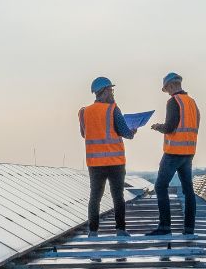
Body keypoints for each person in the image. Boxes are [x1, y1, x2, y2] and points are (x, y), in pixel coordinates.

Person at [79, 76, 136, 236]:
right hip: (114, 162)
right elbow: (126, 133)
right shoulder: (113, 109)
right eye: (110, 90)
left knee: (94, 197)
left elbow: (84, 134)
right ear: (103, 92)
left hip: (94, 163)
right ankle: (120, 229)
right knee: (118, 196)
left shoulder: (84, 112)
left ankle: (93, 231)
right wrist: (132, 131)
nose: (112, 93)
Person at [147, 72, 199, 235]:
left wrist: (157, 127)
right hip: (188, 152)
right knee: (188, 190)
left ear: (170, 86)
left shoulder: (173, 102)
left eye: (167, 89)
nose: (167, 92)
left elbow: (170, 127)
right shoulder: (192, 103)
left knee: (160, 186)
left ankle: (164, 227)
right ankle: (189, 228)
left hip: (174, 151)